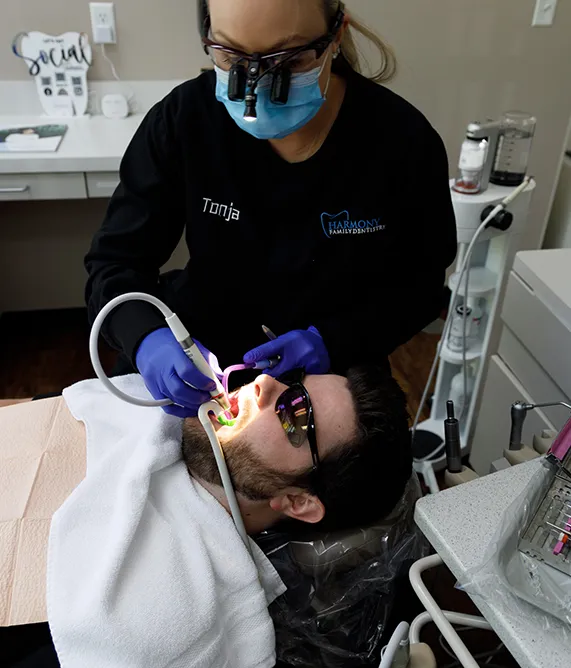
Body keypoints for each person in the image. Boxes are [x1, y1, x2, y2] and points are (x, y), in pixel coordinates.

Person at [85, 0, 457, 419]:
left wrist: (332, 341)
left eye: (291, 59)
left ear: (335, 36)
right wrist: (146, 337)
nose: (256, 86)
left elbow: (421, 287)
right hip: (198, 353)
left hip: (336, 366)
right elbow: (115, 263)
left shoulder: (402, 142)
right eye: (231, 55)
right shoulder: (184, 120)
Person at [1, 365, 412, 668]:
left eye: (295, 412)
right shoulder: (140, 408)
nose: (264, 384)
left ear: (296, 501)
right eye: (293, 381)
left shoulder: (167, 621)